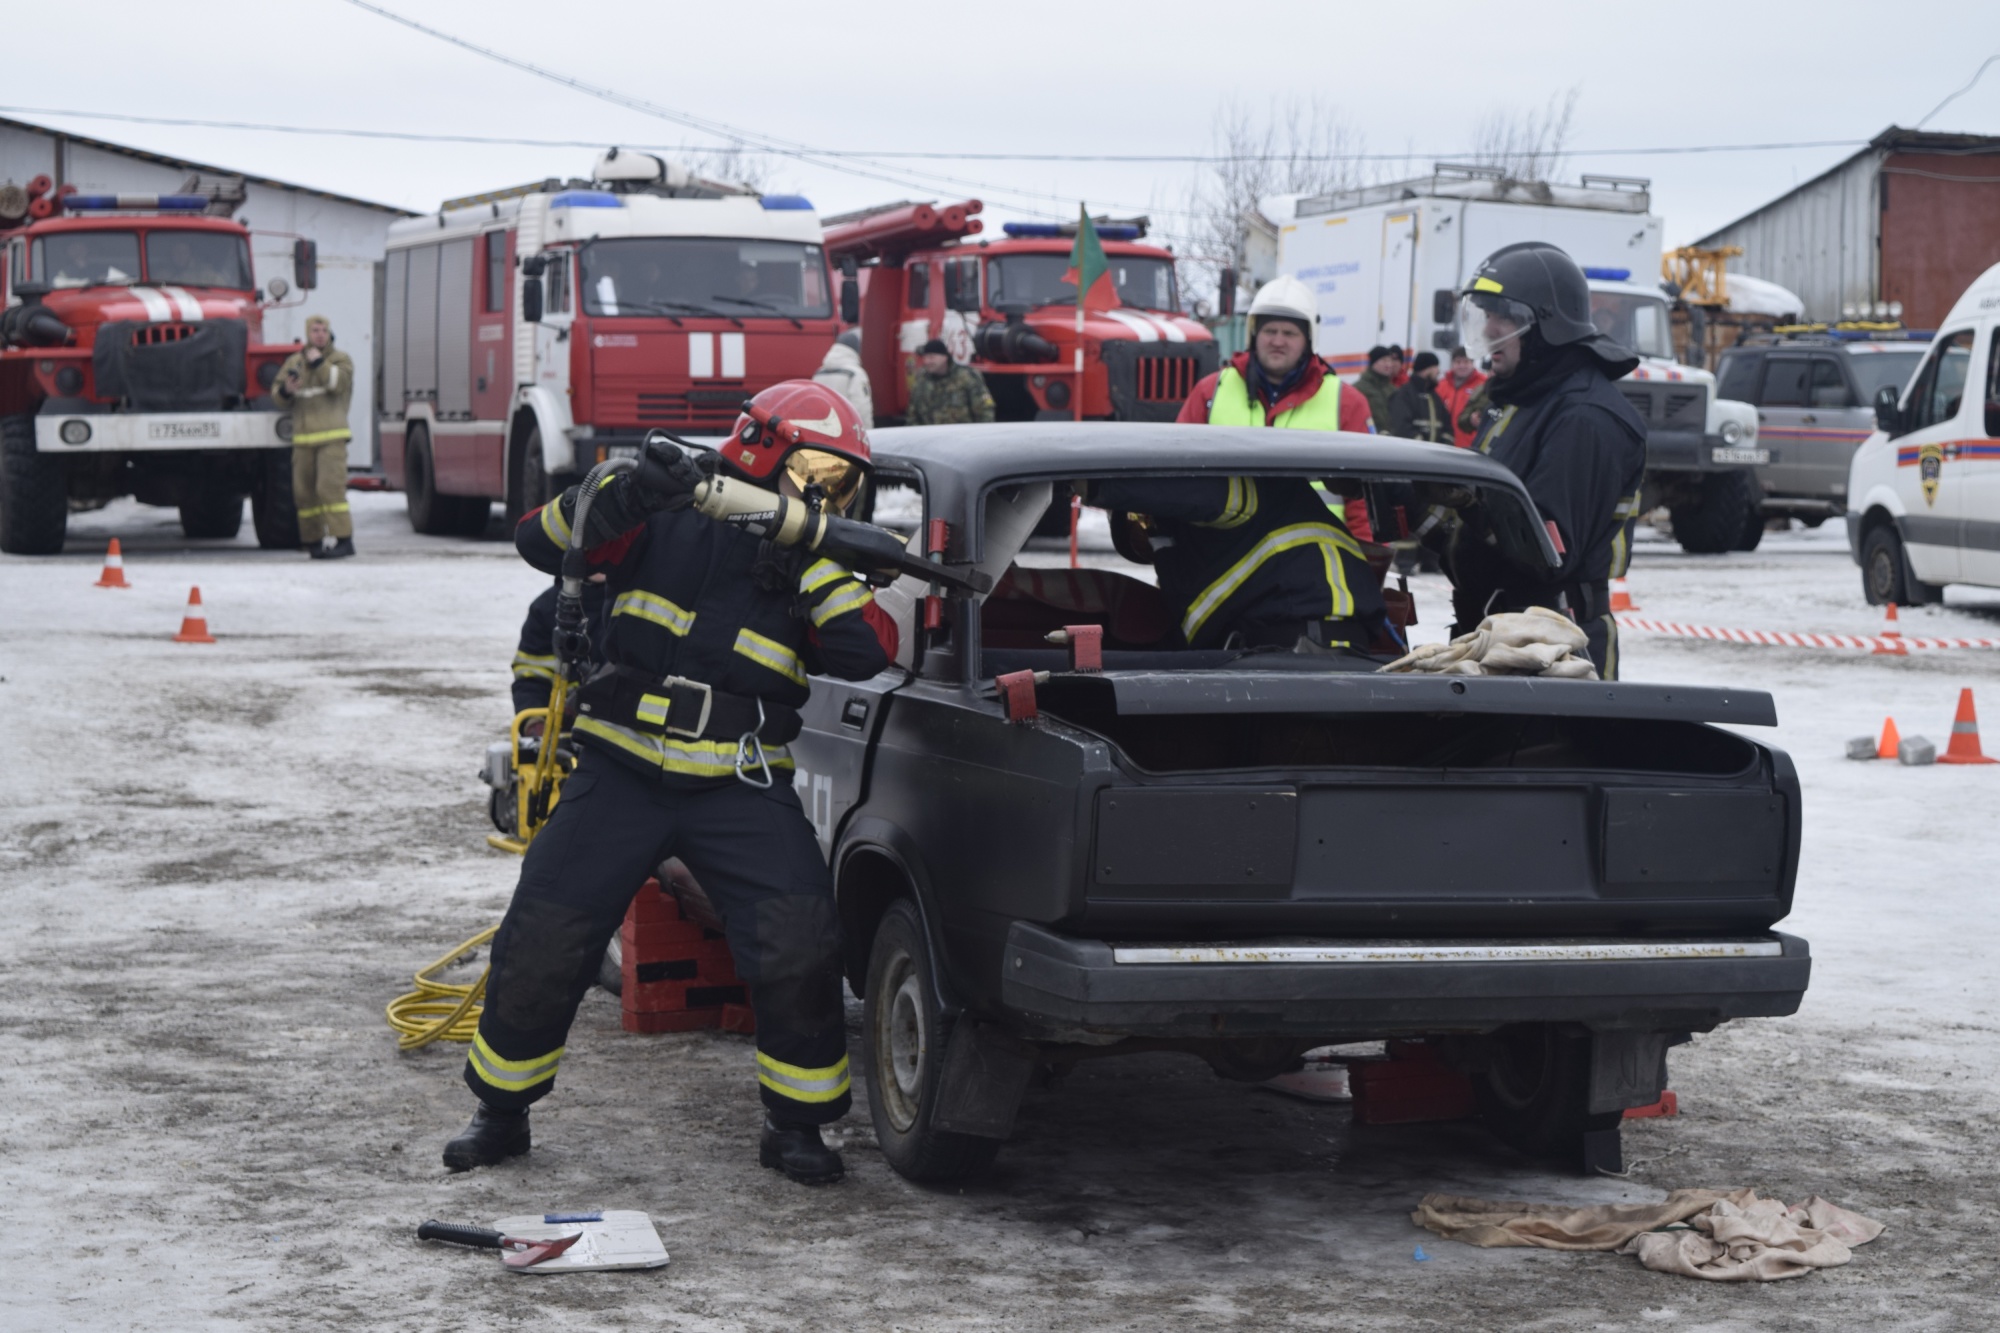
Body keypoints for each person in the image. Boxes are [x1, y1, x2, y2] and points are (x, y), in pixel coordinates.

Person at [443, 380, 896, 1186]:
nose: (823, 494)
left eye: (841, 485)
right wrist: (617, 497)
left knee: (799, 933)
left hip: (738, 778)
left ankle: (795, 1126)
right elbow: (542, 544)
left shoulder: (813, 556)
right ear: (764, 444)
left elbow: (866, 652)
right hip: (620, 764)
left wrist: (816, 564)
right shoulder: (663, 510)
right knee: (546, 926)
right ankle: (500, 1111)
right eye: (819, 472)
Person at [1082, 275, 1386, 652]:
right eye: (1269, 330)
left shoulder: (1346, 402)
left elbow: (1363, 499)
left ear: (1309, 339)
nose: (1278, 340)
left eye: (1289, 332)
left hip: (1321, 577)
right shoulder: (1211, 392)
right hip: (1221, 568)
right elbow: (1173, 478)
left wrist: (1367, 570)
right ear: (1253, 334)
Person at [1451, 242, 1646, 678]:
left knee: (1548, 750)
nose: (1489, 330)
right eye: (1483, 315)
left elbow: (1545, 555)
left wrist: (1468, 504)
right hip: (1500, 632)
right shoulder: (1522, 400)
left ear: (1545, 327)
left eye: (1504, 317)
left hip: (1557, 647)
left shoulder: (1586, 418)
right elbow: (1481, 539)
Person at [271, 315, 356, 559]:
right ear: (308, 334)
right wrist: (287, 390)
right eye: (315, 330)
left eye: (324, 330)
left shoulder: (340, 360)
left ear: (330, 334)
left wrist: (319, 363)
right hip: (303, 440)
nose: (319, 334)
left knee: (329, 490)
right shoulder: (295, 362)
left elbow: (337, 384)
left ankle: (344, 540)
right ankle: (312, 541)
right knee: (304, 494)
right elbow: (277, 394)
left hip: (332, 438)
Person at [904, 338, 993, 424]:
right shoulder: (921, 380)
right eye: (925, 357)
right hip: (931, 437)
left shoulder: (967, 377)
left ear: (945, 357)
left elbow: (985, 410)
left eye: (932, 357)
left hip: (962, 436)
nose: (927, 361)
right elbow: (912, 416)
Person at [812, 329, 874, 429]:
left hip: (822, 431)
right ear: (856, 350)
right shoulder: (856, 374)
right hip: (847, 432)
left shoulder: (819, 373)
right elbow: (862, 409)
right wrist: (868, 434)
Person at [1386, 351, 1448, 443]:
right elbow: (1401, 426)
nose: (1438, 371)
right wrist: (1420, 444)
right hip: (1412, 455)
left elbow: (1447, 426)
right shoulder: (1404, 395)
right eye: (1435, 367)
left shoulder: (1435, 397)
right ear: (1426, 369)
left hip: (1434, 456)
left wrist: (1445, 445)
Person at [1434, 345, 1488, 449]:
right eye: (1458, 362)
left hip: (1471, 446)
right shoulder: (1441, 385)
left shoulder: (1483, 384)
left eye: (1466, 362)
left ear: (1473, 363)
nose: (1462, 366)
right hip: (1444, 445)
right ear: (1452, 364)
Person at [1353, 345, 1400, 429]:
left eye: (1390, 361)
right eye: (1384, 360)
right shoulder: (1359, 388)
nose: (1388, 365)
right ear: (1373, 363)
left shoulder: (1393, 390)